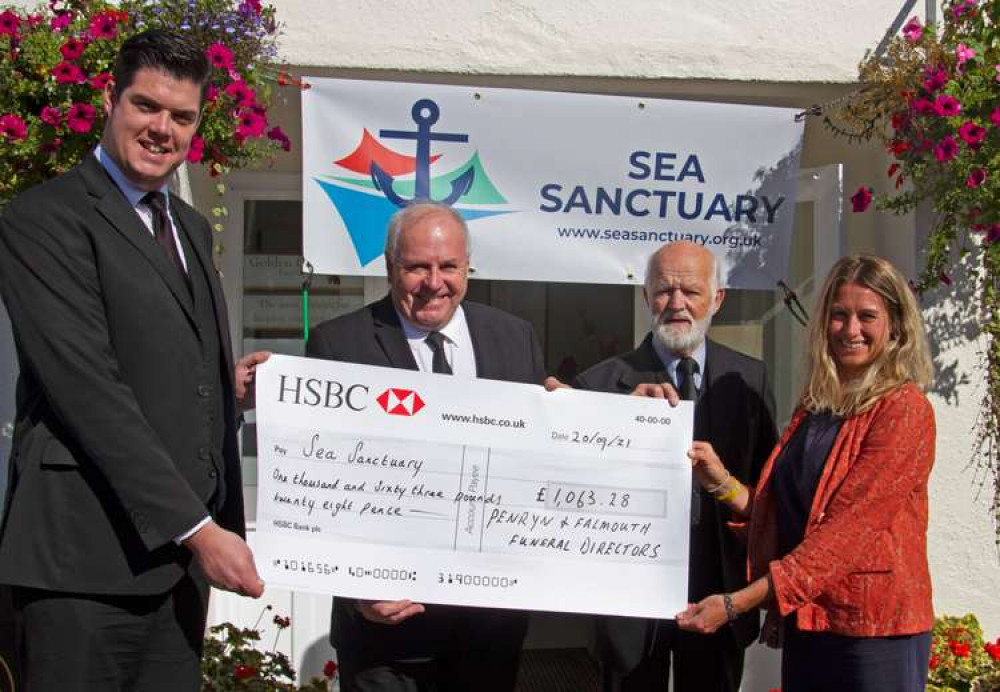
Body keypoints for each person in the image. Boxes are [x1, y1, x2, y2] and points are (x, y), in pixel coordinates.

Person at [0, 30, 268, 691]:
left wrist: (225, 388)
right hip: (82, 567)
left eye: (181, 116)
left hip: (172, 574)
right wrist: (201, 531)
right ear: (109, 99)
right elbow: (87, 389)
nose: (161, 129)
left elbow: (158, 357)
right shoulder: (45, 218)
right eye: (146, 106)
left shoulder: (188, 224)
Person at [306, 201, 545, 692]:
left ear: (467, 269)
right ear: (391, 268)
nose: (434, 282)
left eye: (449, 266)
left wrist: (634, 412)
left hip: (489, 627)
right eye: (417, 267)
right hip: (384, 631)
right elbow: (317, 480)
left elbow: (536, 457)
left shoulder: (514, 338)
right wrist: (354, 590)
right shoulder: (338, 344)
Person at [677, 254, 935, 692]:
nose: (851, 330)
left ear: (896, 326)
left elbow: (845, 536)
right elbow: (790, 515)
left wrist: (736, 603)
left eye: (867, 316)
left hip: (873, 632)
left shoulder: (904, 410)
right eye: (839, 315)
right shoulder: (818, 407)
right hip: (811, 619)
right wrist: (721, 482)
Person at [574, 241, 777, 692]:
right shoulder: (599, 384)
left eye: (691, 290)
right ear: (646, 297)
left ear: (717, 298)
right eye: (664, 291)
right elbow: (575, 490)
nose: (677, 304)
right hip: (630, 599)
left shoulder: (749, 378)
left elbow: (767, 489)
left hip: (719, 588)